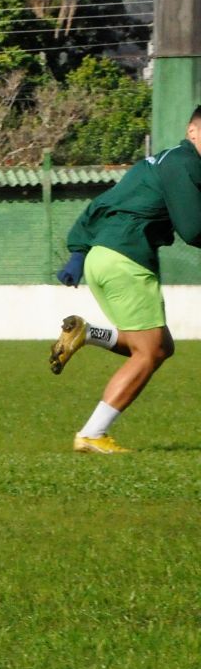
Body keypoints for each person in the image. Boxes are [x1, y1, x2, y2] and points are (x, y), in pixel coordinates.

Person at [49, 107, 201, 452]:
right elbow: (193, 229)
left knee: (160, 346)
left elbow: (102, 204)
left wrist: (77, 254)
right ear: (191, 130)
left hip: (102, 258)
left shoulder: (158, 161)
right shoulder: (185, 163)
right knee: (148, 354)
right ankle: (92, 434)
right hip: (127, 260)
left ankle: (88, 333)